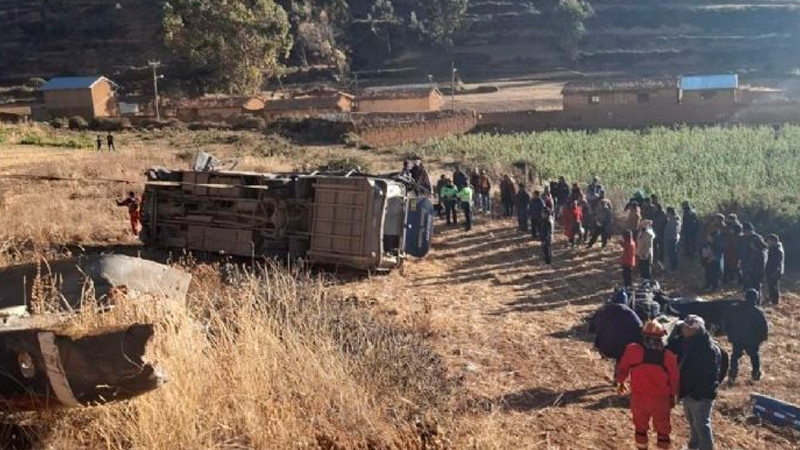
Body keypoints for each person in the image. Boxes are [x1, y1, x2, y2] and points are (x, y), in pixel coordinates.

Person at [616, 321, 679, 450]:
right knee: (663, 431)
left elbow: (622, 369)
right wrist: (672, 396)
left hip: (639, 399)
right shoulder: (669, 357)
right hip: (661, 400)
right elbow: (674, 380)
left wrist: (621, 381)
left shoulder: (632, 349)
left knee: (640, 429)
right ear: (661, 337)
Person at [667, 315, 723, 450]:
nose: (683, 329)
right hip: (687, 391)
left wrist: (698, 393)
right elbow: (671, 347)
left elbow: (710, 375)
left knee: (702, 424)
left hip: (701, 394)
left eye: (686, 327)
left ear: (694, 329)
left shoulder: (708, 349)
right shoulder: (687, 341)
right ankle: (694, 445)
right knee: (692, 422)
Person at [589, 289, 642, 376]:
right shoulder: (630, 313)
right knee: (623, 348)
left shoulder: (603, 310)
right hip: (623, 350)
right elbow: (640, 329)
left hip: (604, 347)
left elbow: (591, 328)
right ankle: (619, 376)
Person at [725, 289, 769, 384]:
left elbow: (726, 322)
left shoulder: (734, 309)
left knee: (735, 357)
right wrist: (762, 339)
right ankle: (755, 375)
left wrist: (729, 334)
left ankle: (732, 375)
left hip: (737, 338)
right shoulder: (757, 312)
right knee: (754, 357)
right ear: (755, 299)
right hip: (752, 340)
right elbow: (764, 328)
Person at [765, 234, 785, 305]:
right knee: (771, 285)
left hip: (774, 270)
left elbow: (778, 262)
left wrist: (777, 271)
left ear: (773, 241)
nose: (767, 242)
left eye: (769, 240)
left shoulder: (777, 250)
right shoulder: (772, 248)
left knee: (774, 286)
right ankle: (771, 297)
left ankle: (775, 301)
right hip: (770, 269)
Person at [664, 207, 681, 271]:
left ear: (670, 212)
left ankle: (673, 267)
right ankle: (672, 266)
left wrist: (669, 235)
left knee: (673, 253)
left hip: (672, 238)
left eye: (667, 212)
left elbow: (675, 230)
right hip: (670, 238)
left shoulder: (675, 220)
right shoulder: (671, 219)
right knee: (671, 253)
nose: (666, 214)